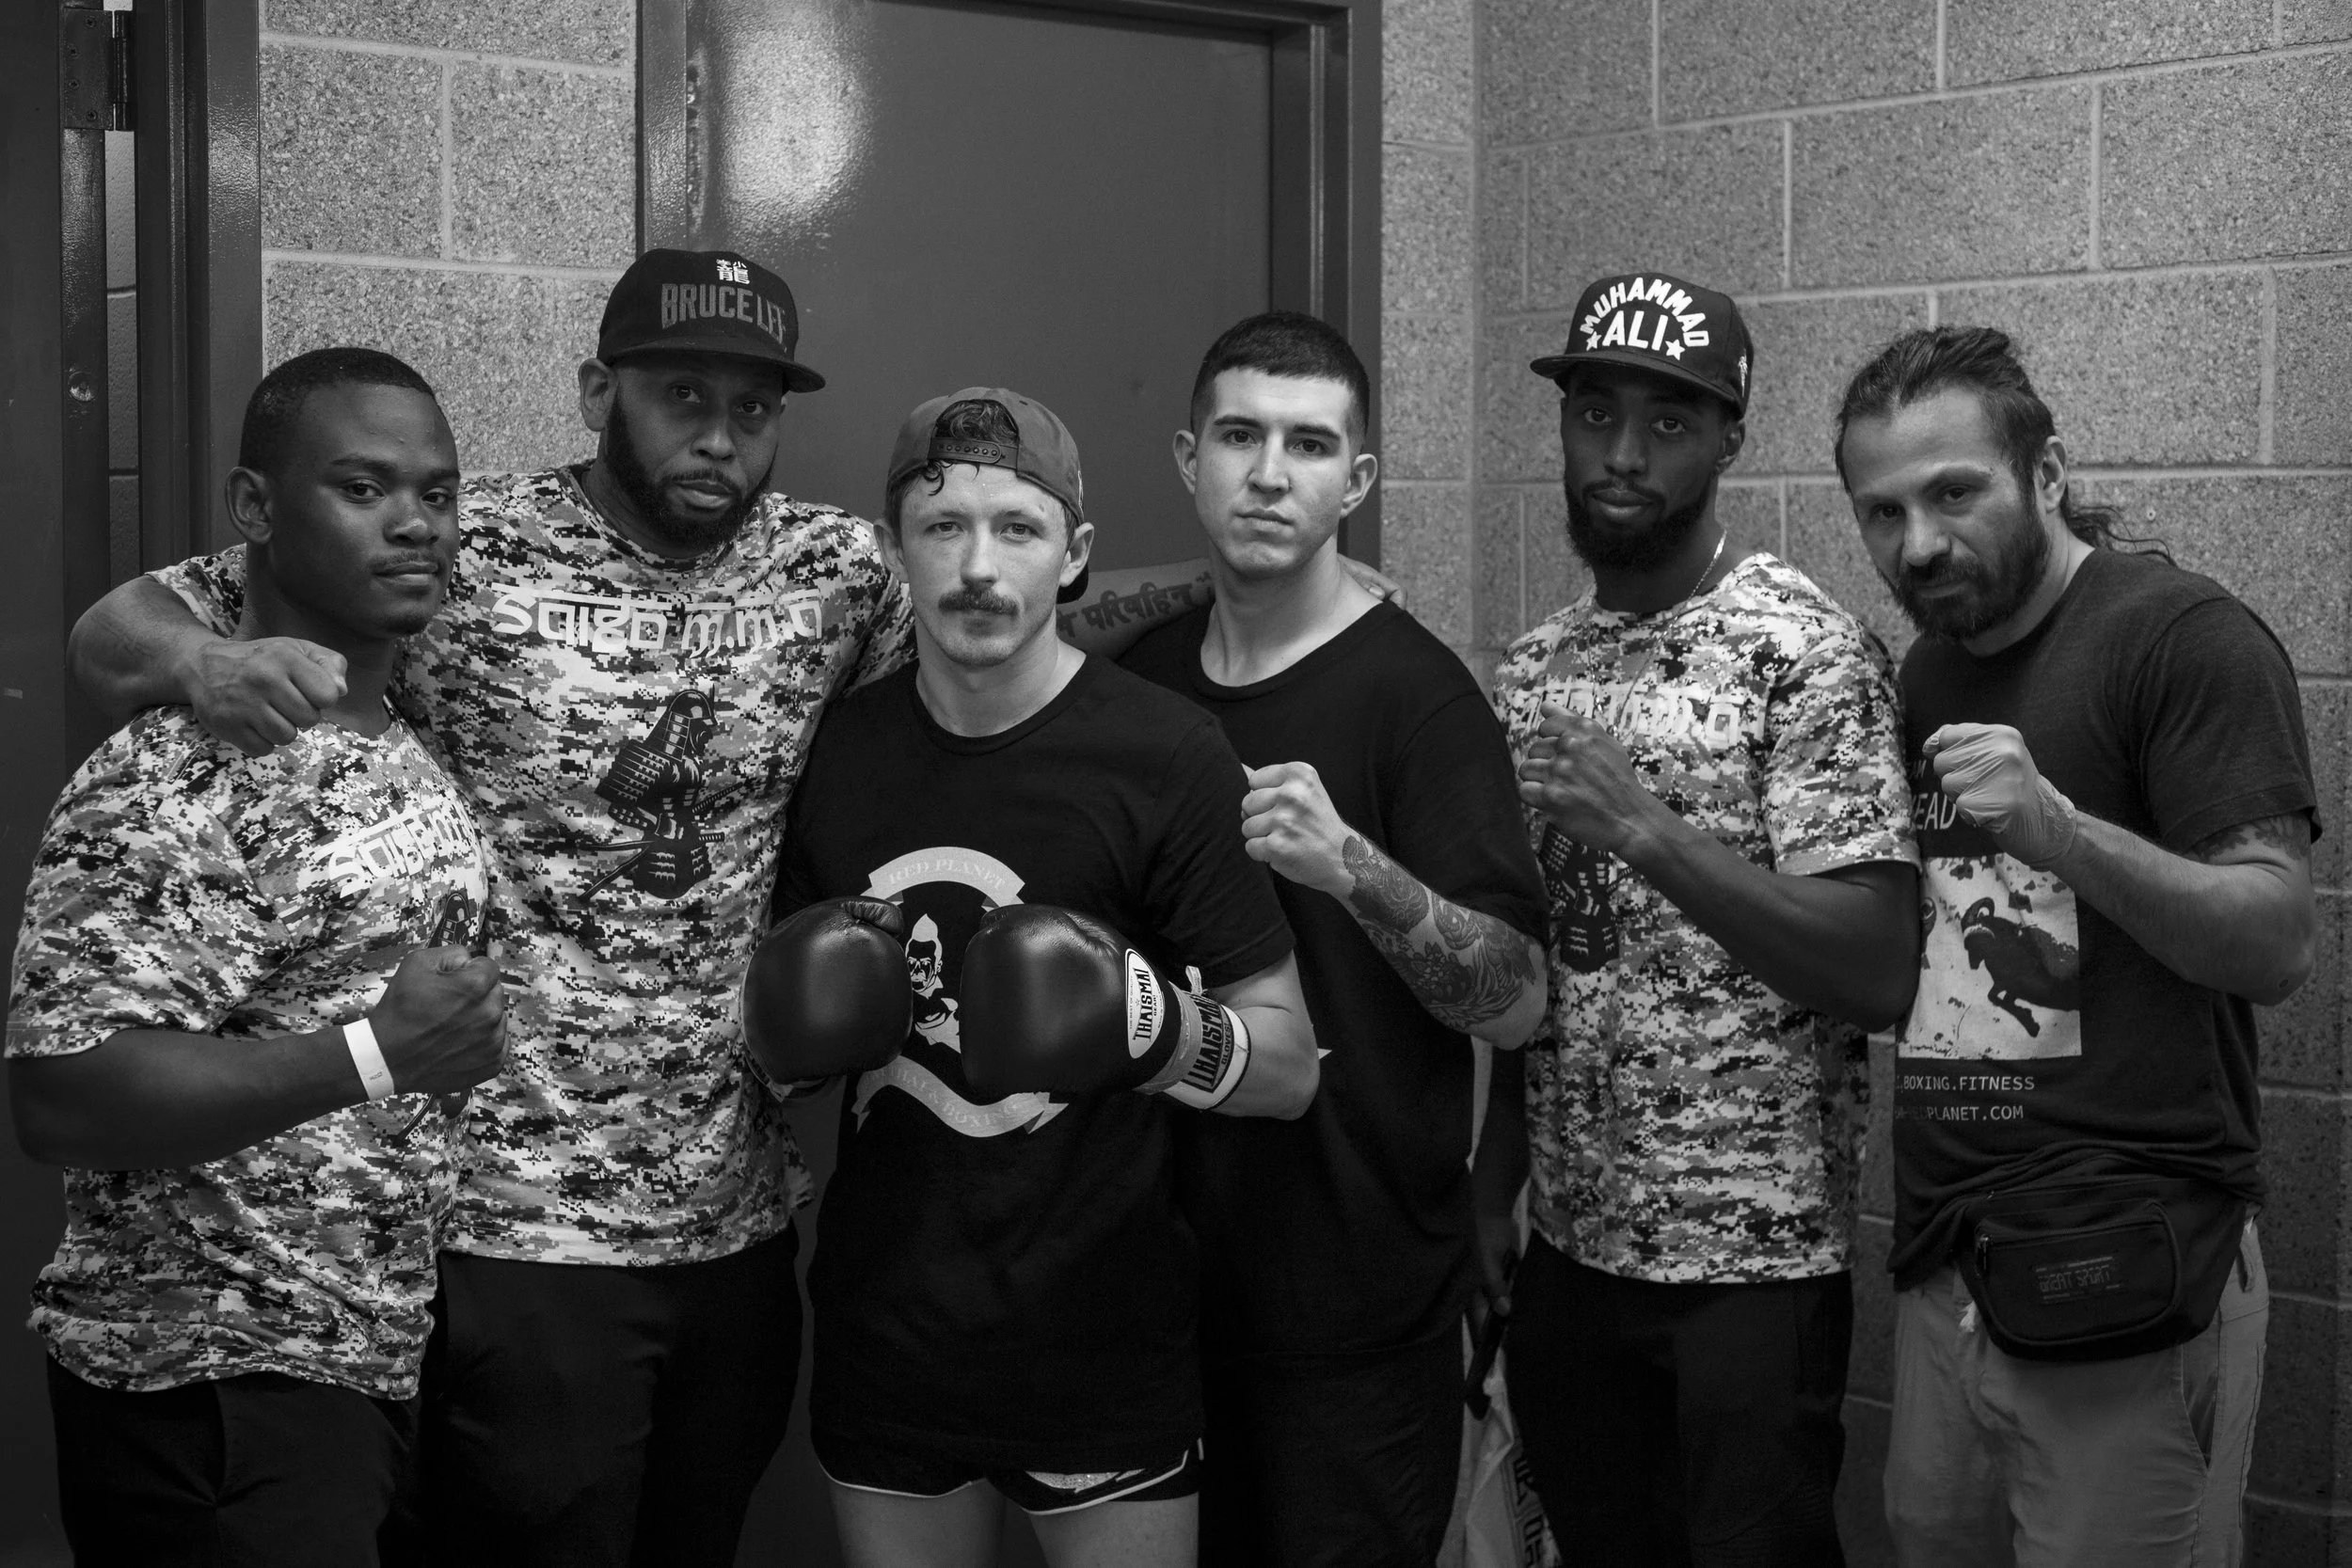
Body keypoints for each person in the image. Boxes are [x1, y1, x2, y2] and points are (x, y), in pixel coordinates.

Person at [64, 250, 1235, 1565]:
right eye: (682, 396)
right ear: (596, 393)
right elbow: (115, 628)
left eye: (752, 408)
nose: (718, 438)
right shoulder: (456, 542)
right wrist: (203, 663)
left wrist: (1224, 583)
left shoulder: (835, 567)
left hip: (737, 1215)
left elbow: (1004, 618)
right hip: (511, 1215)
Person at [746, 386, 1319, 1567]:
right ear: (895, 547)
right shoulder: (840, 752)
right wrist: (785, 1037)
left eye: (1017, 527)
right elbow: (795, 1064)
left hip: (1102, 1336)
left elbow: (1290, 1066)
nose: (977, 567)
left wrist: (1155, 1030)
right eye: (942, 526)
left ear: (1074, 552)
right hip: (888, 1331)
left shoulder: (1164, 754)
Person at [8, 347, 506, 1564]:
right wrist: (376, 1054)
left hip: (358, 1360)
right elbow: (62, 1092)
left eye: (438, 493)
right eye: (362, 487)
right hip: (208, 1378)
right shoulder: (176, 773)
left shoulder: (391, 726)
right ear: (254, 507)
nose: (414, 523)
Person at [1836, 325, 2315, 1567]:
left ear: (2046, 474)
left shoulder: (2181, 637)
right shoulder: (1930, 669)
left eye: (1954, 492)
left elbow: (2277, 936)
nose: (1919, 542)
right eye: (1883, 511)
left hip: (2126, 1256)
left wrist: (2059, 829)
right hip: (1950, 1256)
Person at [1484, 272, 1922, 1564]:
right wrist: (1491, 1192)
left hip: (1750, 1266)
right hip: (1570, 1252)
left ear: (1729, 439)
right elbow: (1529, 961)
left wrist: (1648, 829)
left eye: (1668, 423)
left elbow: (1878, 967)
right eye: (1596, 414)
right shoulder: (1534, 666)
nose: (1623, 454)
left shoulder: (1806, 651)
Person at [1119, 312, 1548, 1566]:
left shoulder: (1417, 696)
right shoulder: (1137, 678)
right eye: (1239, 436)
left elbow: (1517, 999)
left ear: (1355, 482)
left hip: (1351, 1302)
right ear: (1188, 457)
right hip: (1150, 1288)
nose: (1269, 473)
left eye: (1308, 445)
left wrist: (1349, 862)